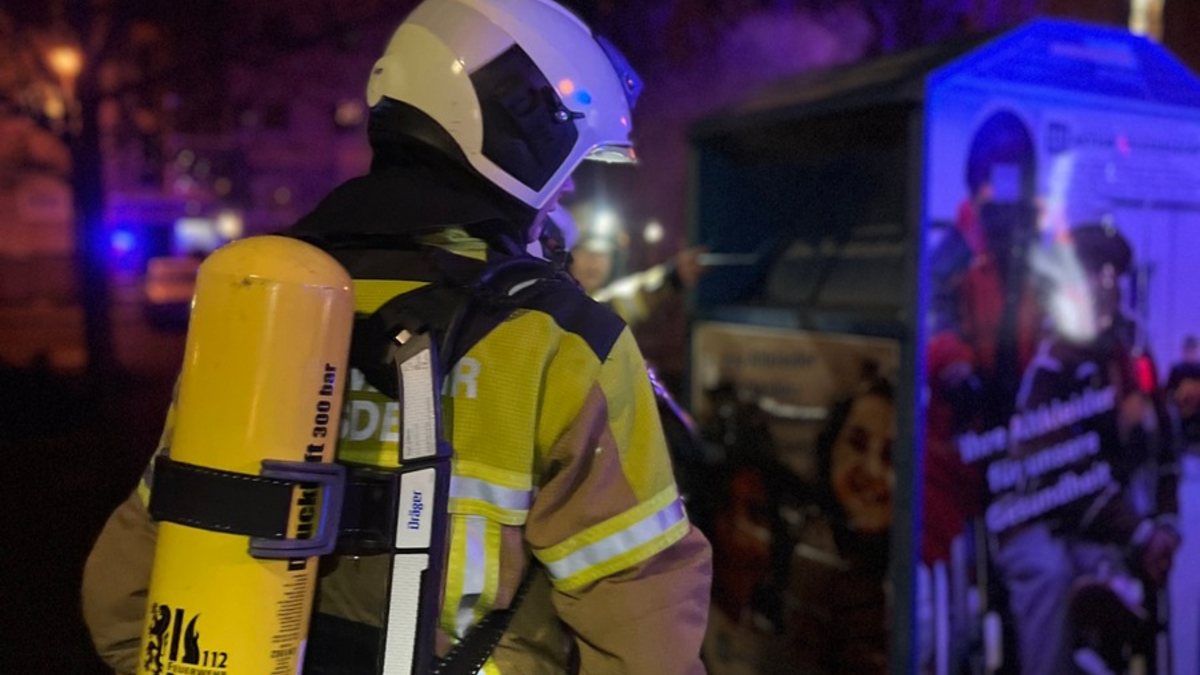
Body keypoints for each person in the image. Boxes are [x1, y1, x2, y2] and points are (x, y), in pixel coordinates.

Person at [80, 2, 712, 674]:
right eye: (573, 162)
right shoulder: (558, 342)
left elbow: (121, 599)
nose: (569, 189)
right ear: (524, 125)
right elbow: (644, 636)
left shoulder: (261, 307)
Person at [991, 223, 1179, 675]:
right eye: (1093, 274)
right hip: (1030, 516)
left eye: (1112, 276)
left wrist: (1167, 525)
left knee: (1104, 570)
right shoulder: (1050, 364)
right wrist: (1139, 532)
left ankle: (1108, 649)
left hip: (1093, 526)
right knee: (1050, 575)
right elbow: (1063, 477)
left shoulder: (1132, 358)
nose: (1104, 286)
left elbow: (1165, 450)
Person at [784, 378, 894, 675]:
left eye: (891, 456)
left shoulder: (906, 561)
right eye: (857, 443)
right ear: (830, 448)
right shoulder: (818, 554)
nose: (872, 469)